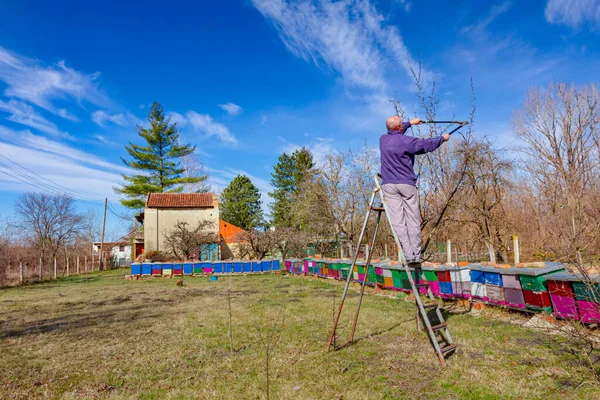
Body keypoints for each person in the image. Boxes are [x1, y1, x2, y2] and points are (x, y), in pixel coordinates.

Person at [380, 116, 450, 265]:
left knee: (398, 222)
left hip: (388, 186)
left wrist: (410, 123)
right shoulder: (407, 142)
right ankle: (416, 256)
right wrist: (442, 138)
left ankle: (408, 255)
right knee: (412, 220)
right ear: (399, 128)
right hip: (406, 184)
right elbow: (427, 145)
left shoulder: (383, 140)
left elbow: (396, 131)